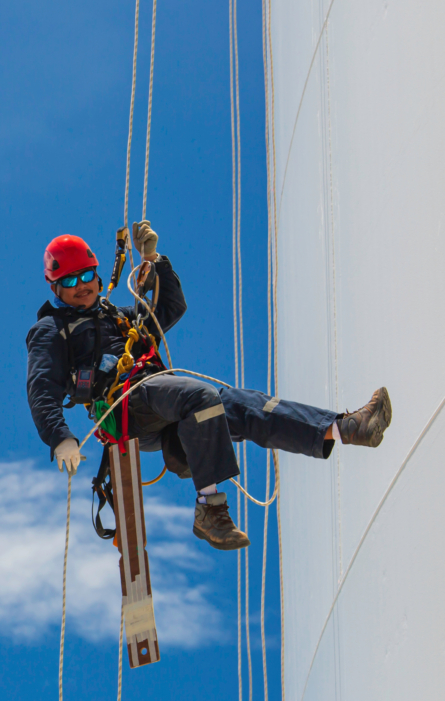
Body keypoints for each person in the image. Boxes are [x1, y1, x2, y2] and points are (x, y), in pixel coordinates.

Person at [25, 222, 391, 550]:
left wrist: (155, 260)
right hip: (125, 409)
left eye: (86, 275)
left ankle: (343, 428)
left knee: (241, 404)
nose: (81, 287)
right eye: (70, 282)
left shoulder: (118, 319)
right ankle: (210, 510)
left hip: (161, 398)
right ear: (55, 287)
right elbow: (42, 387)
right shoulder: (51, 331)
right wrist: (60, 437)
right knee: (199, 396)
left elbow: (171, 308)